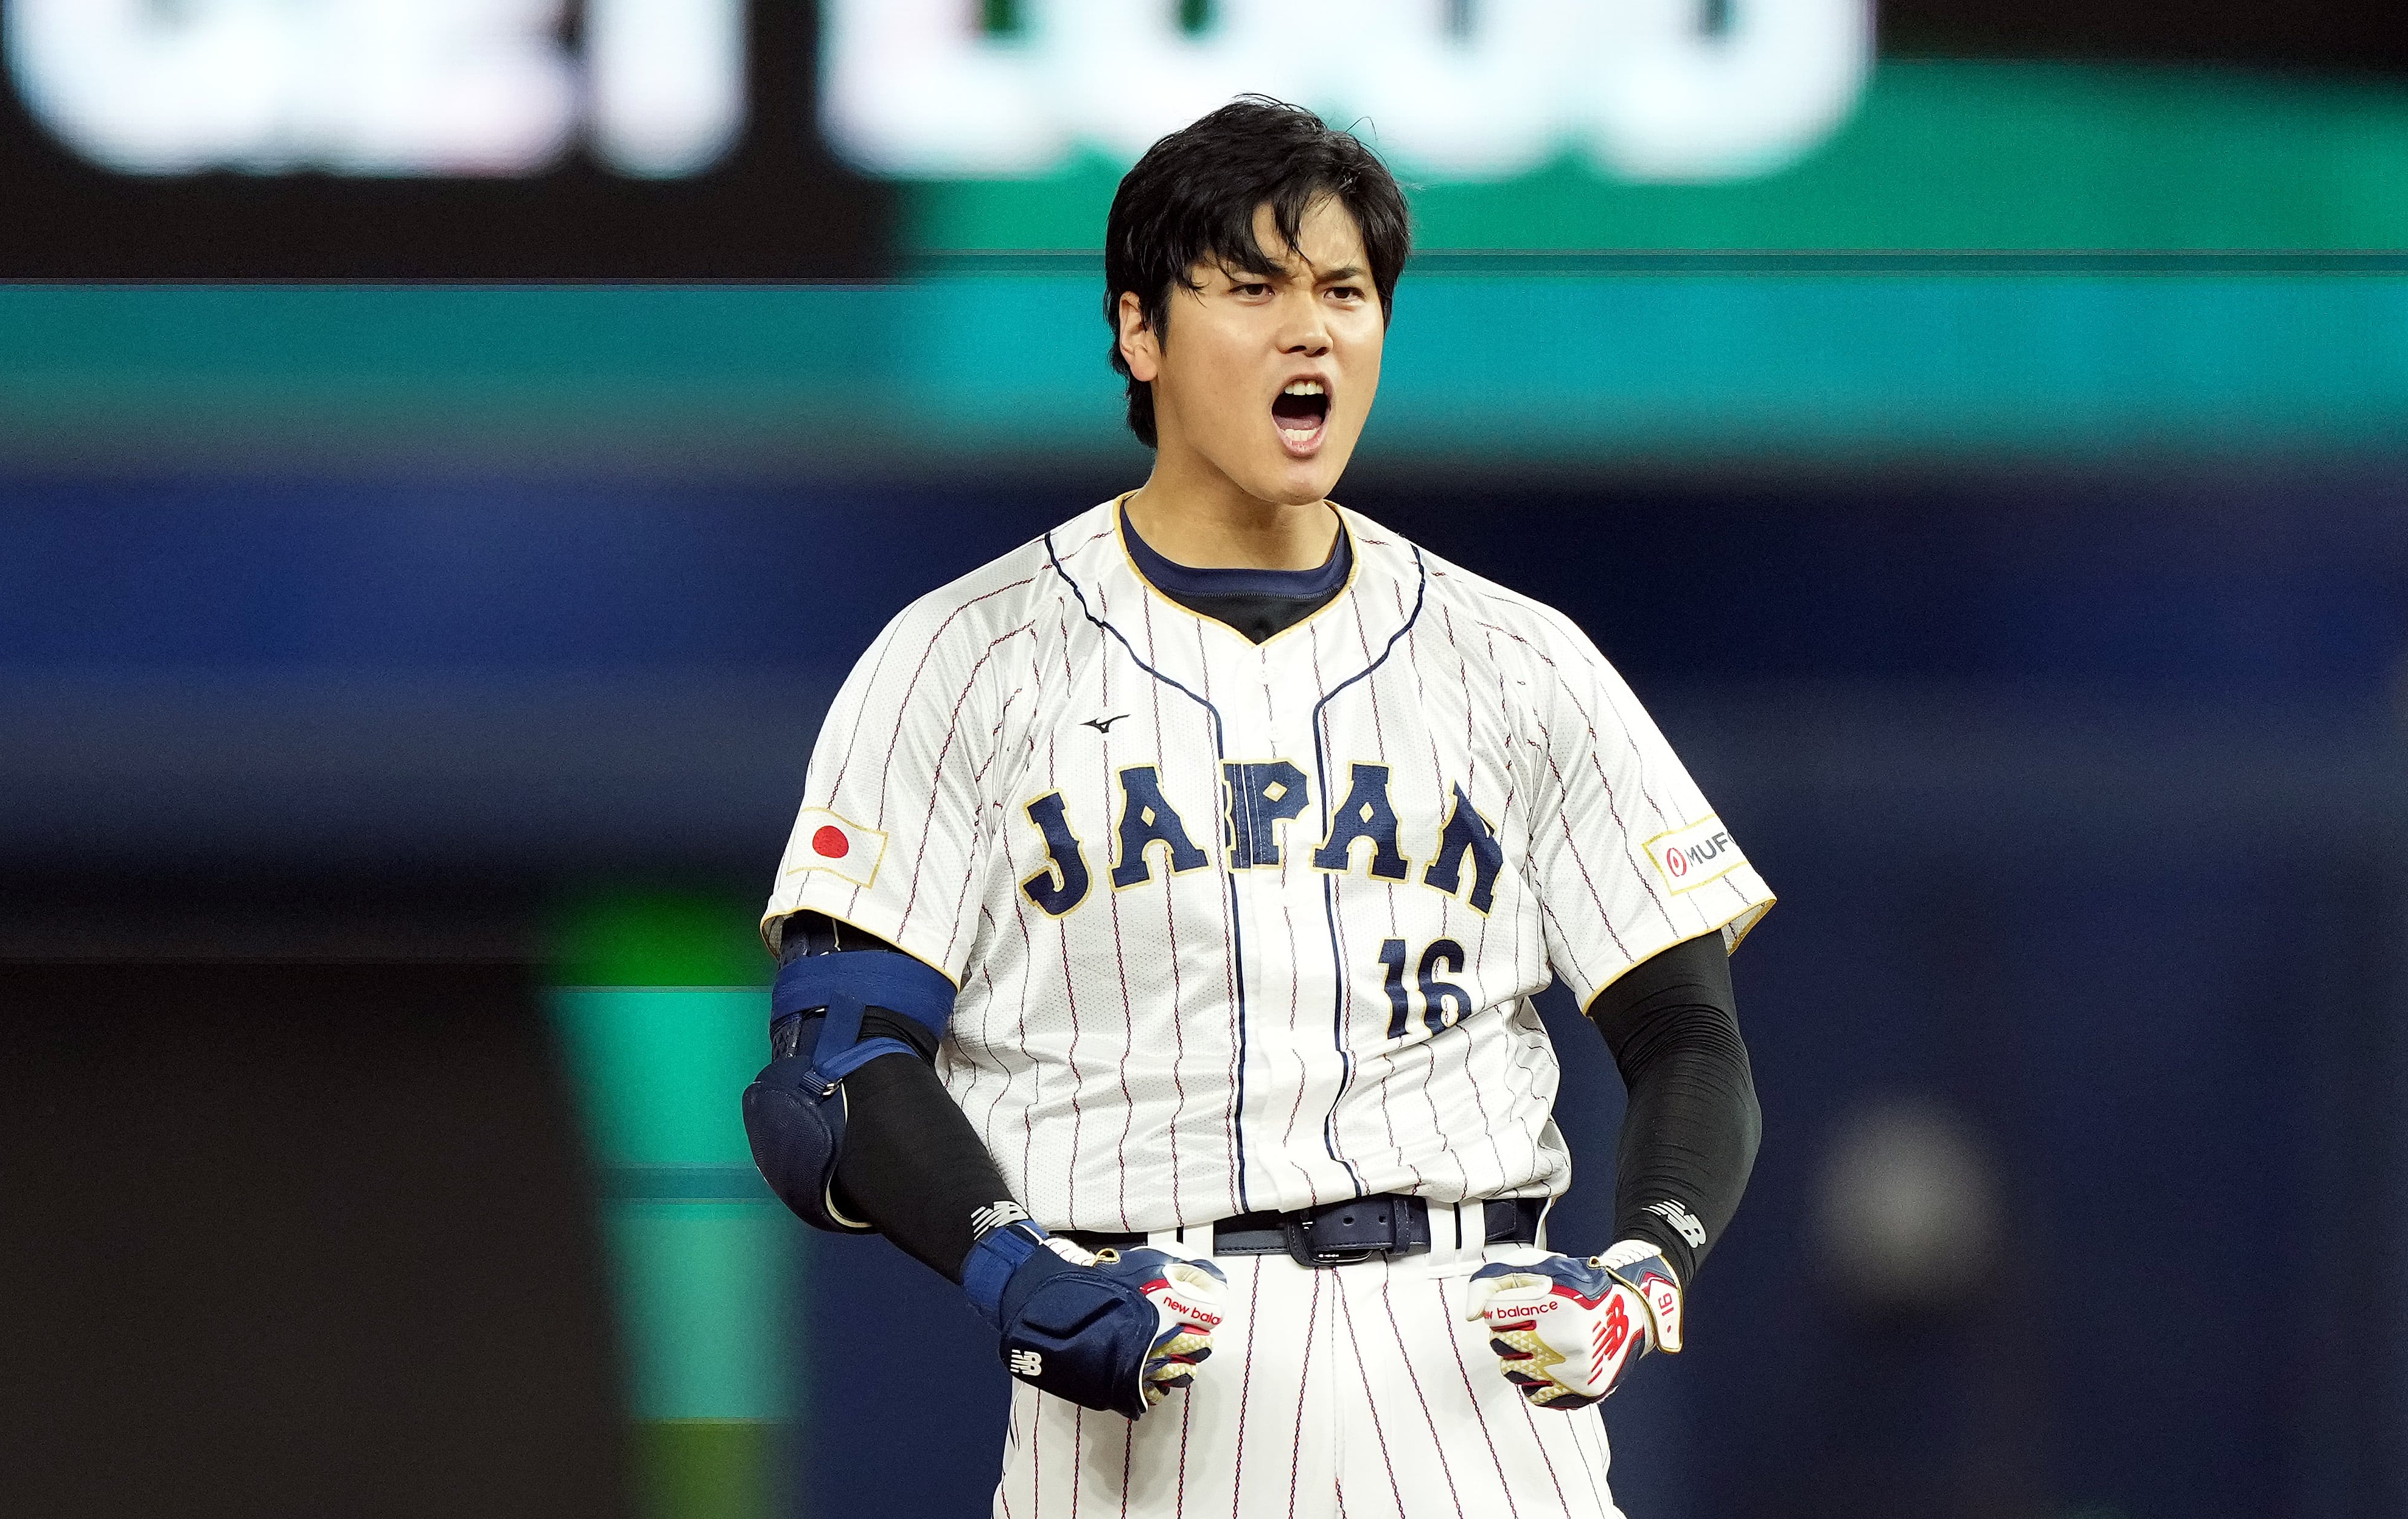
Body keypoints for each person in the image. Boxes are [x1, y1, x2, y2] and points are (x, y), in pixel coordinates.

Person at [744, 96, 1769, 1517]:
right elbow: (831, 1077)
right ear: (1137, 333)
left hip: (1475, 1377)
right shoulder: (962, 657)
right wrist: (1014, 1272)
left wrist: (1647, 1264)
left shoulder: (1517, 659)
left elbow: (1688, 1038)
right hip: (1148, 1366)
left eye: (1343, 292)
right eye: (1251, 287)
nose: (1310, 331)